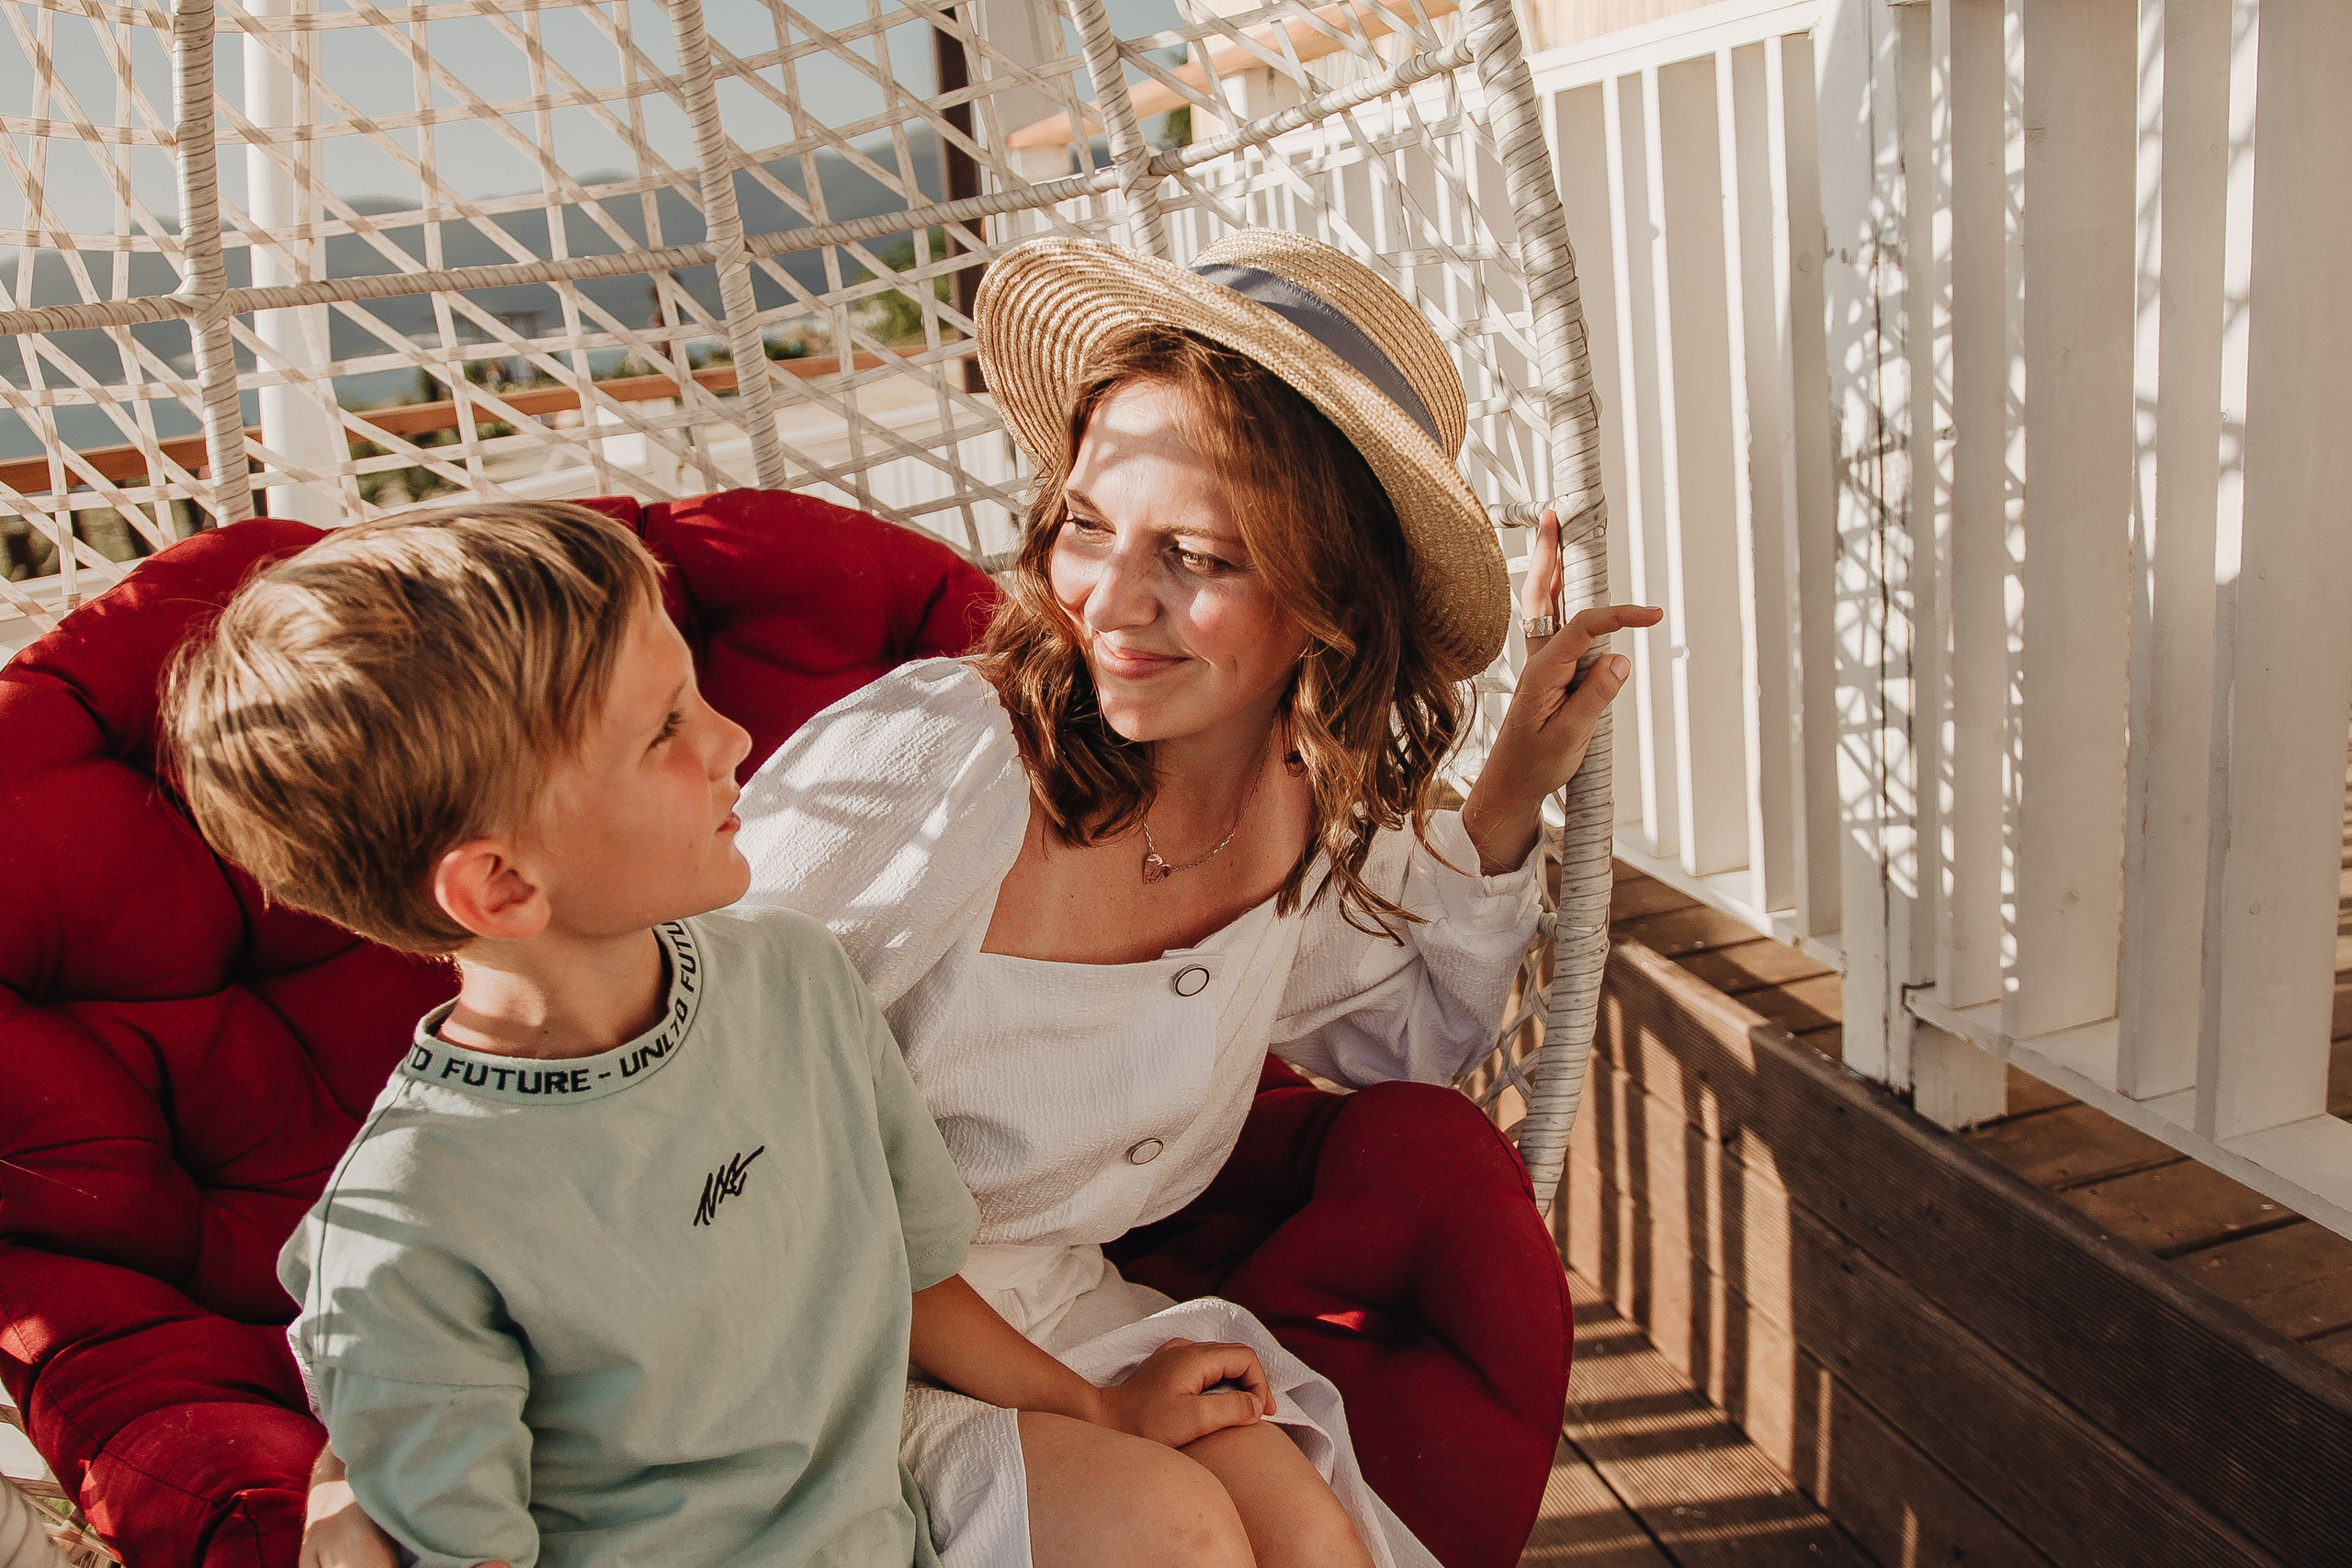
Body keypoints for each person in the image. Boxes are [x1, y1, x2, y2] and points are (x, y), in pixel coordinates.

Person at [726, 230, 1663, 1568]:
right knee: (1180, 1533)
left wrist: (1511, 785)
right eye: (1087, 527)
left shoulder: (1290, 806)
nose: (1111, 603)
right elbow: (683, 1071)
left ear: (1332, 599)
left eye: (1199, 558)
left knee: (1312, 1541)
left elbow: (1399, 1037)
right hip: (795, 1329)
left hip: (1048, 1315)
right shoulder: (941, 761)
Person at [169, 502, 1283, 1568]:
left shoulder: (794, 981)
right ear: (501, 885)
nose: (731, 738)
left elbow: (904, 1269)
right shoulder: (415, 1221)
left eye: (691, 695)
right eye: (663, 730)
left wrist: (1095, 1408)